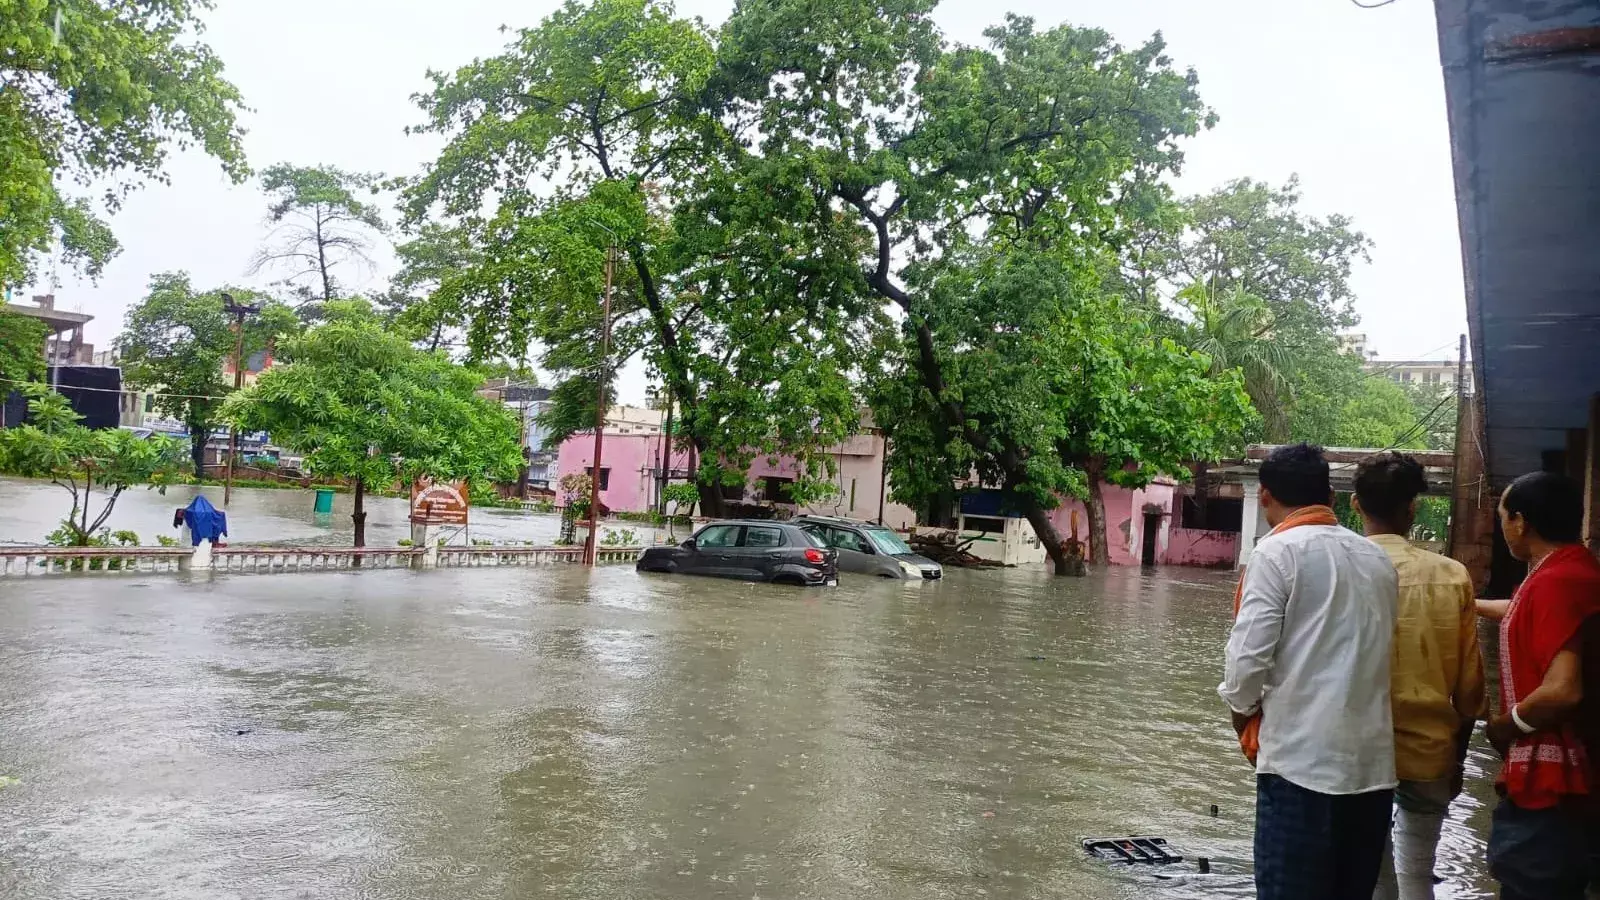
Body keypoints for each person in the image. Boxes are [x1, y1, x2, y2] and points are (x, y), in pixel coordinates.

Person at [1221, 443, 1401, 900]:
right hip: (1372, 771)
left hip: (1300, 770)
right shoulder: (1377, 560)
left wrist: (1242, 714)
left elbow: (1246, 662)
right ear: (1333, 498)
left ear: (1264, 496)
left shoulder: (1276, 552)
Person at [1353, 452, 1487, 900]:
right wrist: (1457, 760)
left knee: (1372, 876)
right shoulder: (1452, 576)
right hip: (1431, 749)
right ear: (1412, 509)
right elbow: (1470, 690)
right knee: (1418, 874)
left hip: (1354, 753)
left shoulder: (1339, 570)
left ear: (1355, 505)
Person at [1478, 472, 1599, 900]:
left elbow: (1563, 690)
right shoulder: (1570, 570)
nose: (1502, 526)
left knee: (1533, 884)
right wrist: (1465, 600)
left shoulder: (1556, 582)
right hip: (1577, 782)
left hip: (1553, 787)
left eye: (1502, 517)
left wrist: (1503, 728)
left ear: (1520, 522)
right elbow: (1527, 611)